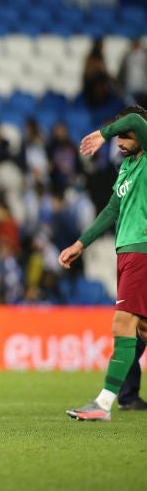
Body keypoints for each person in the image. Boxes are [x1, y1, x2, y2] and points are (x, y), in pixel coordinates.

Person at [63, 104, 147, 421]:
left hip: (141, 251)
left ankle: (103, 404)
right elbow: (111, 210)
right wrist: (80, 244)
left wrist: (102, 133)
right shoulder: (127, 168)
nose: (120, 142)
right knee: (142, 328)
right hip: (126, 252)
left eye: (126, 136)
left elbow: (135, 118)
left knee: (122, 324)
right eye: (118, 137)